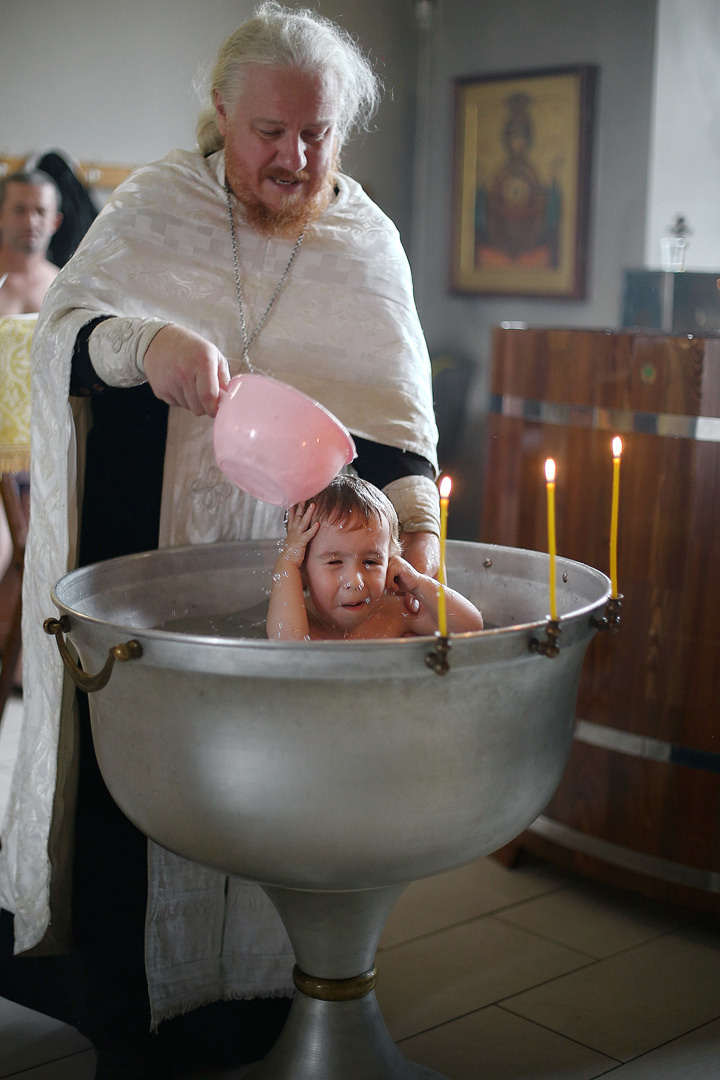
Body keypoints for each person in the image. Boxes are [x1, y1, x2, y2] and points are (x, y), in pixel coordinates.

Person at [0, 4, 440, 1078]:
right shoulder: (156, 206)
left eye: (318, 134)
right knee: (137, 808)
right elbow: (67, 337)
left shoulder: (364, 242)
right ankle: (128, 1020)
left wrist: (420, 547)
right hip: (147, 569)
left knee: (283, 810)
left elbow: (403, 429)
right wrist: (143, 343)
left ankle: (280, 1010)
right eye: (270, 133)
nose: (296, 159)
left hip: (311, 591)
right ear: (220, 115)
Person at [268, 475, 483, 639]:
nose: (355, 581)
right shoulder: (300, 619)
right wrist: (287, 565)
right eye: (335, 562)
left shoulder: (394, 613)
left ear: (390, 563)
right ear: (303, 569)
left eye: (370, 562)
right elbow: (289, 649)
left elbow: (470, 628)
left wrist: (418, 583)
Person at [0, 170, 63, 315]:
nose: (31, 221)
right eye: (19, 210)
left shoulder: (63, 289)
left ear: (56, 222)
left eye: (41, 211)